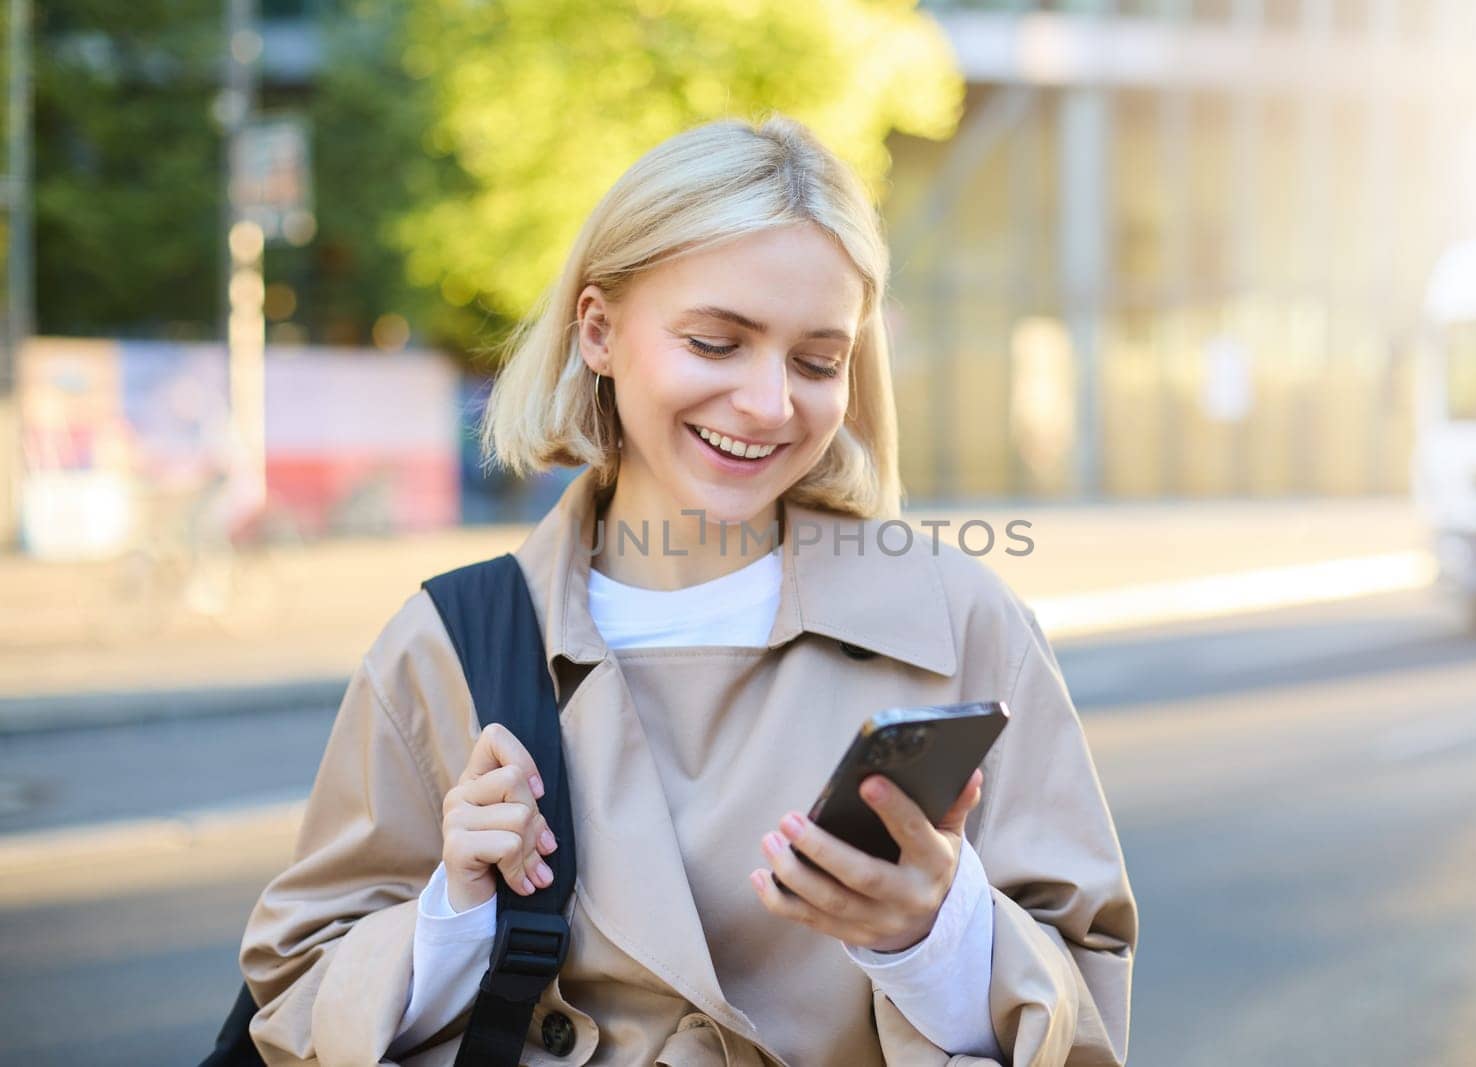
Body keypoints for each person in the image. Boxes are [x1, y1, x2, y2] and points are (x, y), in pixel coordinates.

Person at [239, 114, 1136, 1066]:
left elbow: (1087, 1015)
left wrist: (932, 933)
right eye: (716, 343)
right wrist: (453, 918)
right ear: (598, 331)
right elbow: (296, 999)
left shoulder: (961, 623)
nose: (768, 403)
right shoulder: (452, 642)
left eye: (816, 361)